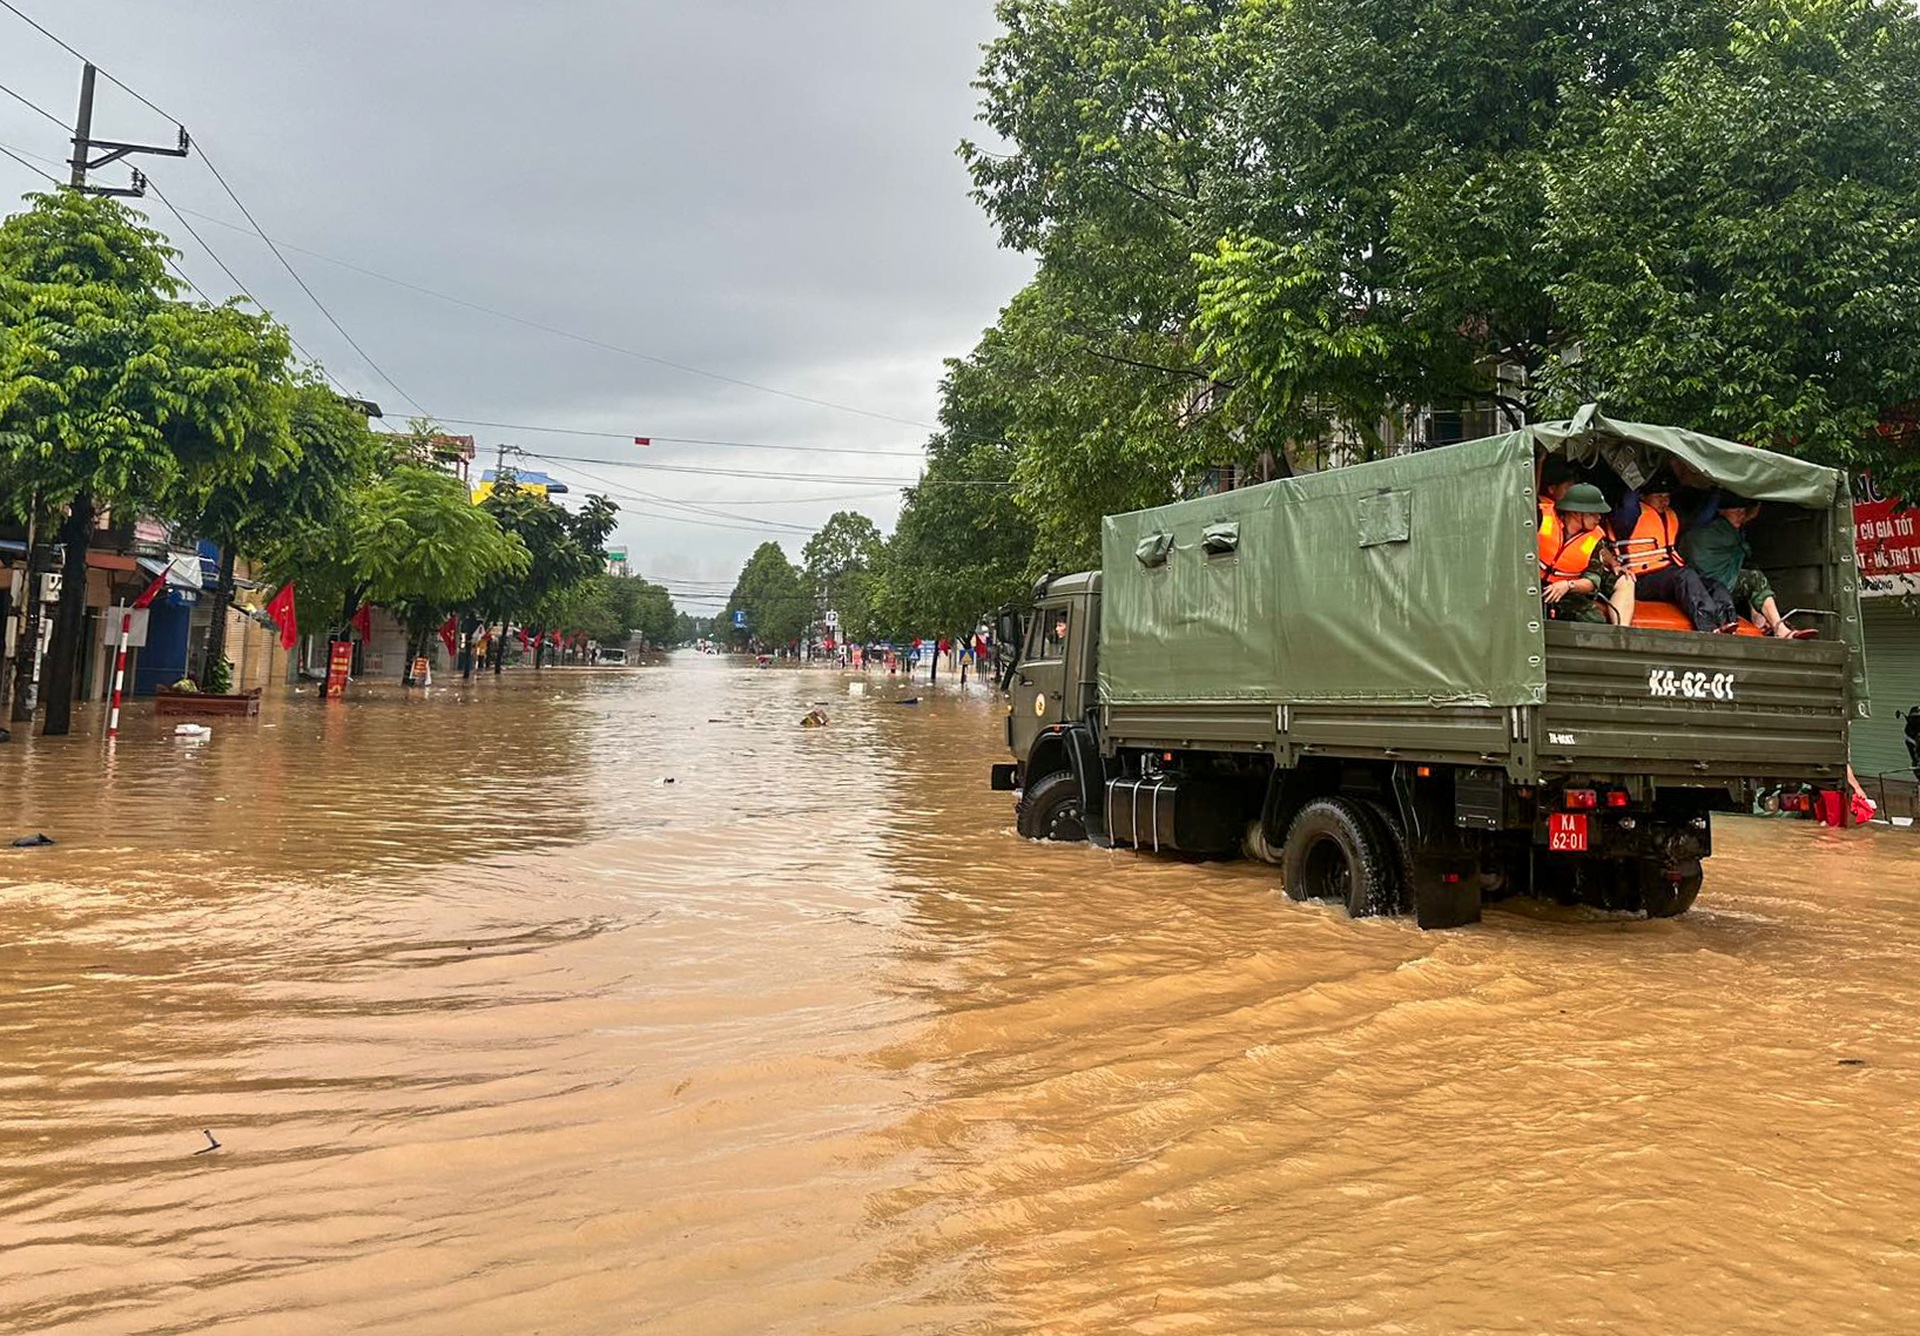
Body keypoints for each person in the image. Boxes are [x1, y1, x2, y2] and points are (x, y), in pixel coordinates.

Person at [1608, 471, 1739, 632]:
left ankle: (1728, 622)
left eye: (1667, 496)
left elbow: (1701, 519)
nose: (1665, 500)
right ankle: (1708, 626)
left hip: (1666, 576)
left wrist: (1717, 491)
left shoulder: (1671, 516)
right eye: (1659, 495)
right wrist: (1635, 477)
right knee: (1684, 575)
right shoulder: (1628, 517)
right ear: (1643, 496)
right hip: (1640, 580)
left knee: (1715, 585)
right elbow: (1629, 503)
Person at [1678, 495, 1816, 638]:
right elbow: (1746, 549)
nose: (1741, 515)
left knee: (1750, 568)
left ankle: (1760, 621)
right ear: (1721, 511)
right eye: (1736, 511)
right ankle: (1780, 629)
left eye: (1743, 511)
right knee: (1754, 579)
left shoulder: (1699, 529)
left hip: (1699, 587)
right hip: (1715, 587)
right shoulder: (1723, 532)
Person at [1539, 483, 1618, 623]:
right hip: (1530, 585)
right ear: (1576, 512)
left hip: (1565, 592)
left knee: (1594, 619)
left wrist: (1567, 586)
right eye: (1593, 513)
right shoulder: (1540, 518)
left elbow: (1592, 582)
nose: (1599, 518)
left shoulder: (1596, 539)